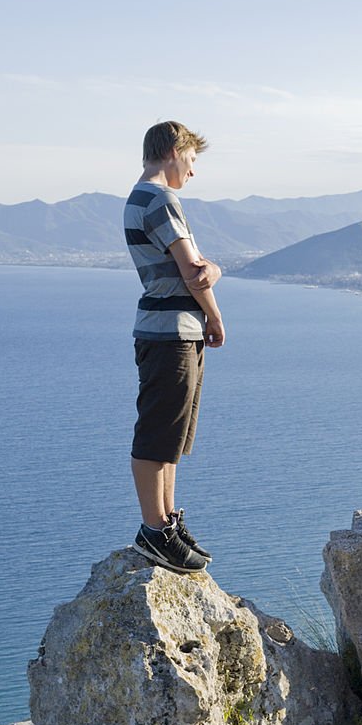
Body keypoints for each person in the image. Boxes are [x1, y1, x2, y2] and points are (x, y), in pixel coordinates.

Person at [125, 121, 225, 573]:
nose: (193, 170)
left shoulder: (141, 198)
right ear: (174, 151)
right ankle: (154, 530)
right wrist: (216, 312)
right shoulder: (161, 198)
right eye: (192, 159)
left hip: (170, 329)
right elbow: (194, 270)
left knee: (171, 434)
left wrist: (211, 270)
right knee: (158, 431)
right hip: (172, 331)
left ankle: (166, 522)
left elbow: (197, 268)